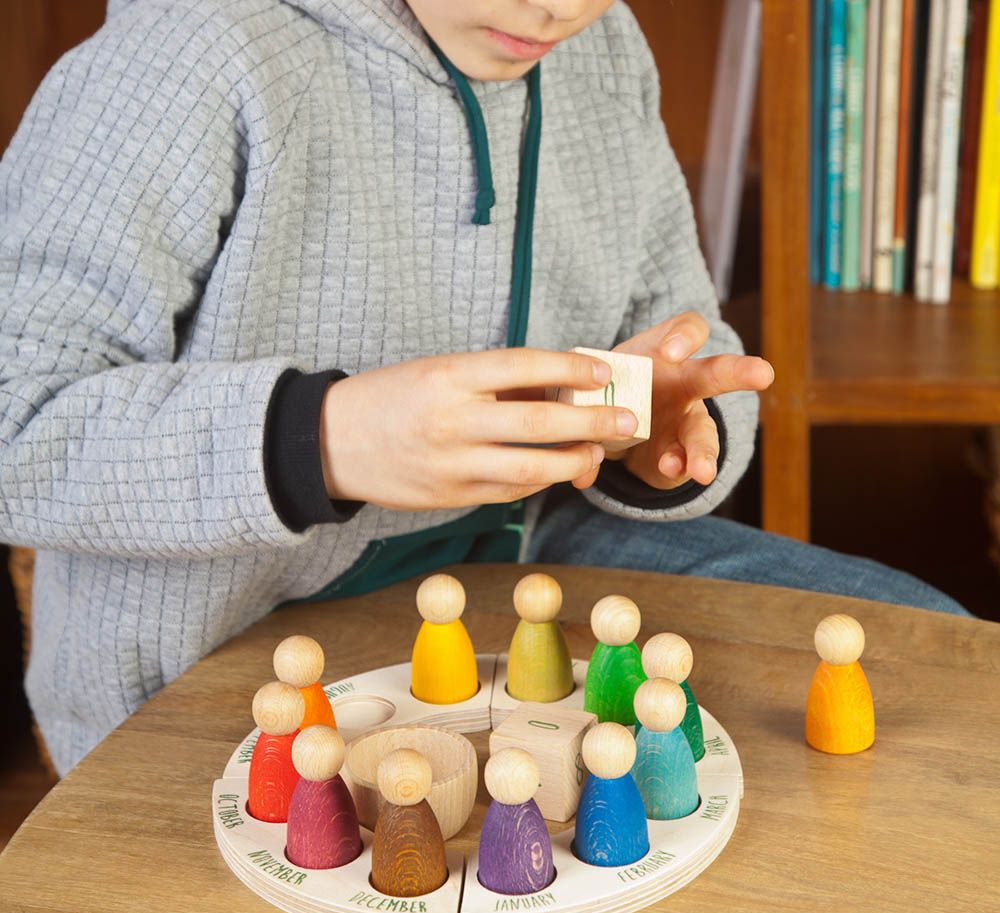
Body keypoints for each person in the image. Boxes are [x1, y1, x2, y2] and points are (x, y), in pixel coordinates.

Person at [0, 0, 967, 775]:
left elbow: (689, 333)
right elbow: (18, 412)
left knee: (945, 667)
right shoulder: (184, 53)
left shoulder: (608, 47)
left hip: (537, 553)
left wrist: (665, 436)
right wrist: (328, 440)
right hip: (229, 634)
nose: (558, 12)